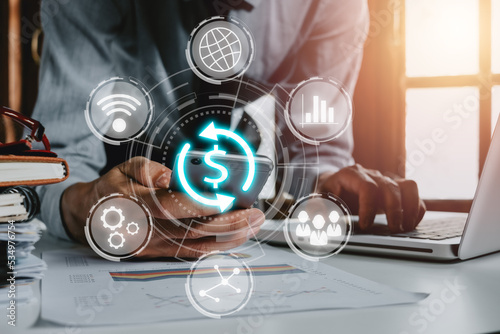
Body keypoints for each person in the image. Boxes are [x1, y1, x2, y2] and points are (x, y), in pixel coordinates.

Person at [32, 0, 425, 258]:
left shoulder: (332, 6)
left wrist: (327, 182)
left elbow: (314, 150)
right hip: (127, 218)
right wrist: (88, 205)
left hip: (256, 250)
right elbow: (58, 163)